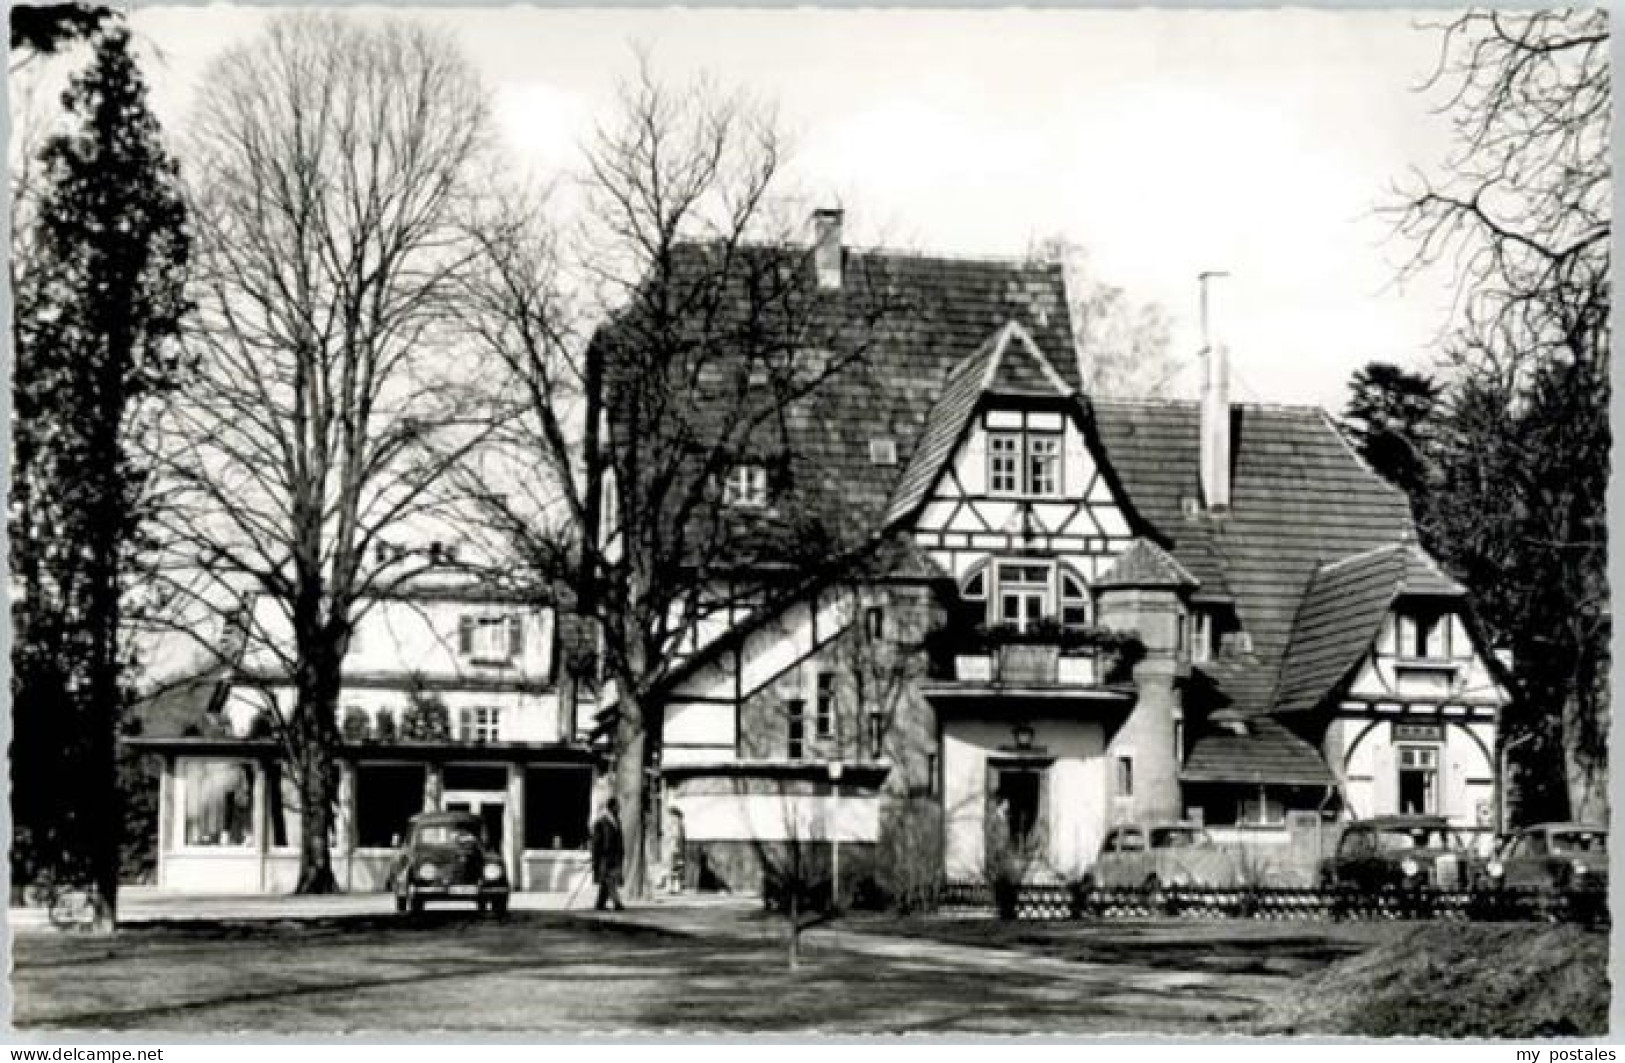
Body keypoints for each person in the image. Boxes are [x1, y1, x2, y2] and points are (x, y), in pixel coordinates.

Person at [591, 797, 626, 911]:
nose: (619, 808)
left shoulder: (617, 821)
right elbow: (597, 842)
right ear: (611, 807)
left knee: (608, 881)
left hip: (615, 856)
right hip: (605, 857)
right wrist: (596, 857)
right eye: (617, 806)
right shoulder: (601, 822)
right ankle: (617, 903)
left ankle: (600, 904)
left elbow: (619, 839)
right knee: (610, 880)